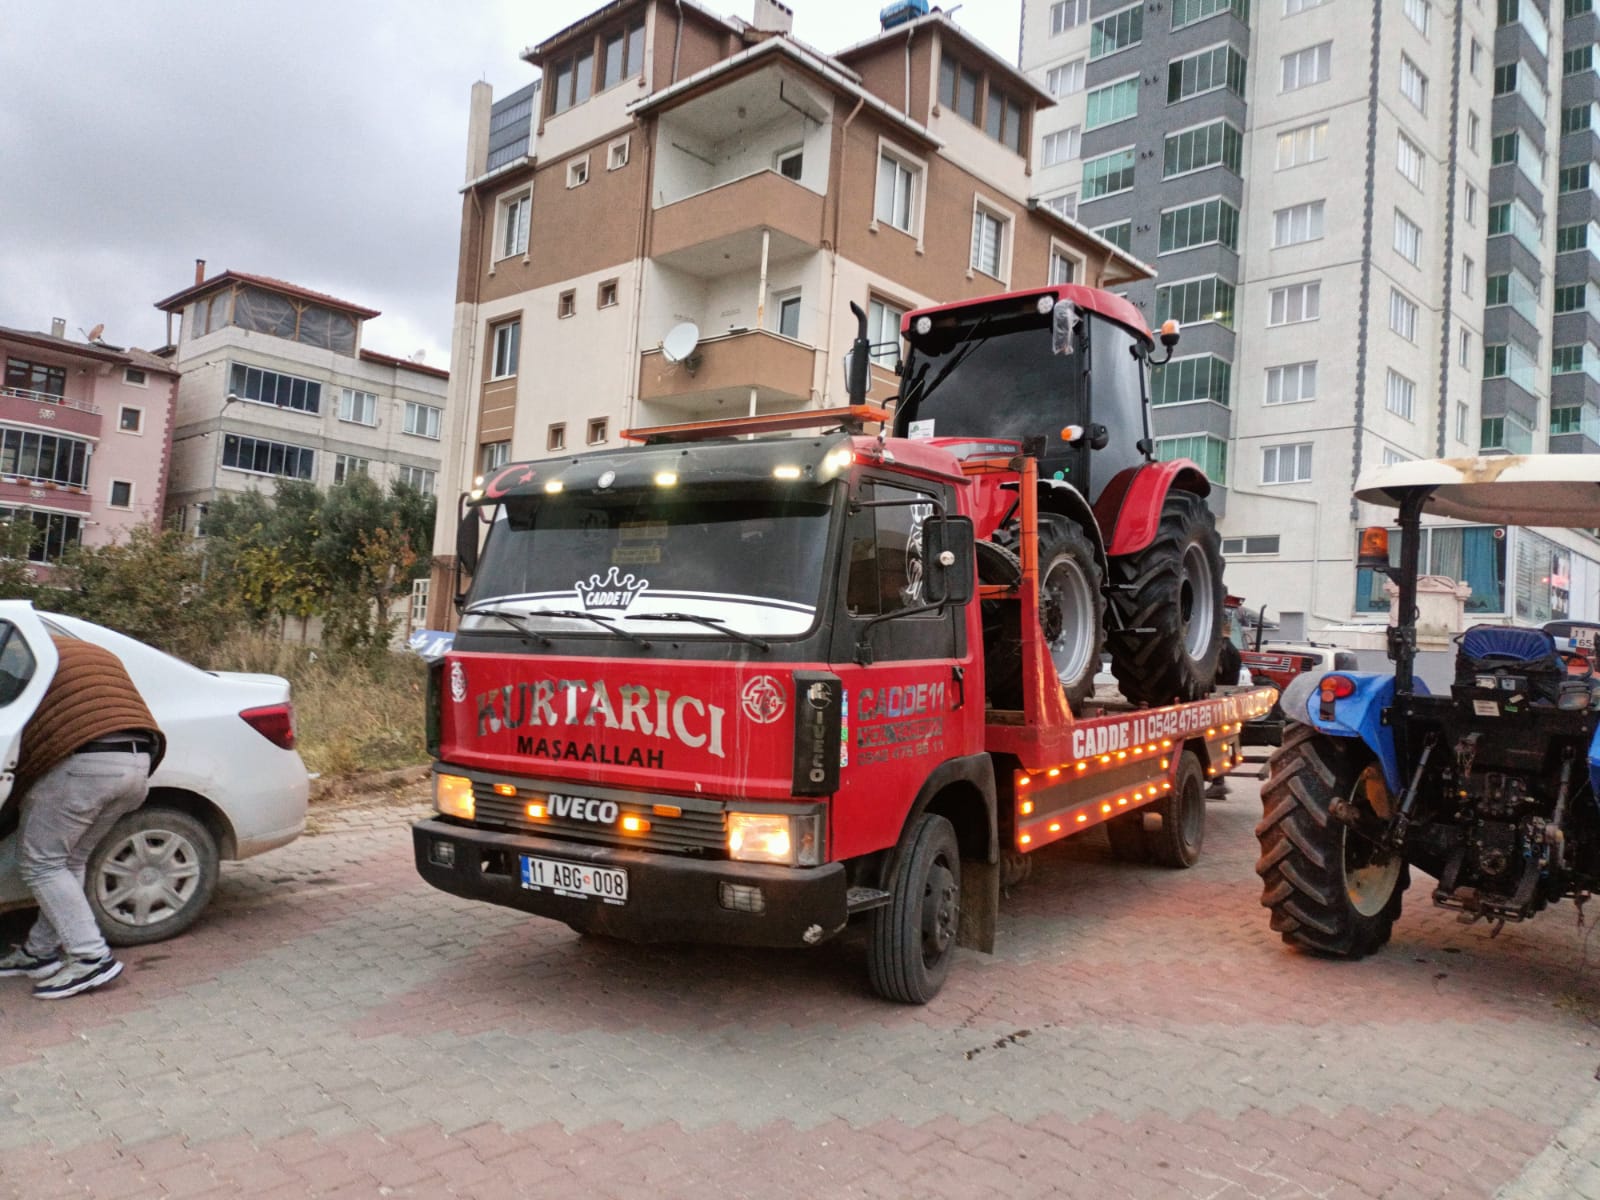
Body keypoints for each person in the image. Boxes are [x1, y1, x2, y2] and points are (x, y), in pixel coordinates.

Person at [0, 635, 164, 999]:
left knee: (41, 864)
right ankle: (39, 953)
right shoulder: (78, 647)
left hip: (86, 764)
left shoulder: (23, 656)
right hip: (137, 762)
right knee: (68, 860)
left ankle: (91, 958)